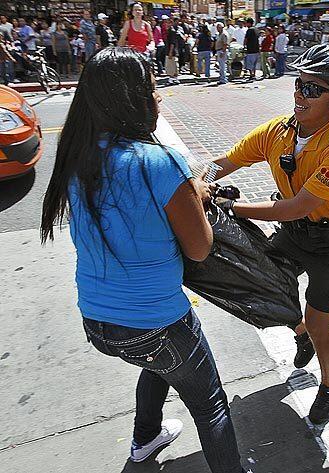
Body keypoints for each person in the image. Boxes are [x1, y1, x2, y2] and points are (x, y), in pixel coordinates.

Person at [40, 47, 247, 473]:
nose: (158, 99)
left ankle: (144, 440)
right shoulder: (161, 162)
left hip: (98, 322)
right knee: (210, 404)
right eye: (153, 90)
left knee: (161, 363)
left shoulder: (78, 155)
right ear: (133, 99)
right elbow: (200, 248)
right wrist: (196, 196)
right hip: (157, 322)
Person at [207, 44, 329, 425]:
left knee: (320, 324)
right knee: (260, 284)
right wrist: (193, 183)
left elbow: (295, 206)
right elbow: (222, 164)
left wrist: (228, 207)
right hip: (295, 235)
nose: (300, 94)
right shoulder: (278, 131)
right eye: (299, 84)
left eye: (313, 89)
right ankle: (299, 332)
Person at [165, 17, 179, 85]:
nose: (167, 24)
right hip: (171, 51)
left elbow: (172, 43)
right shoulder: (170, 31)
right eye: (166, 23)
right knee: (174, 65)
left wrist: (170, 52)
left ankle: (171, 79)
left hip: (171, 51)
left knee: (170, 66)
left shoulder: (172, 31)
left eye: (168, 23)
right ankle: (175, 79)